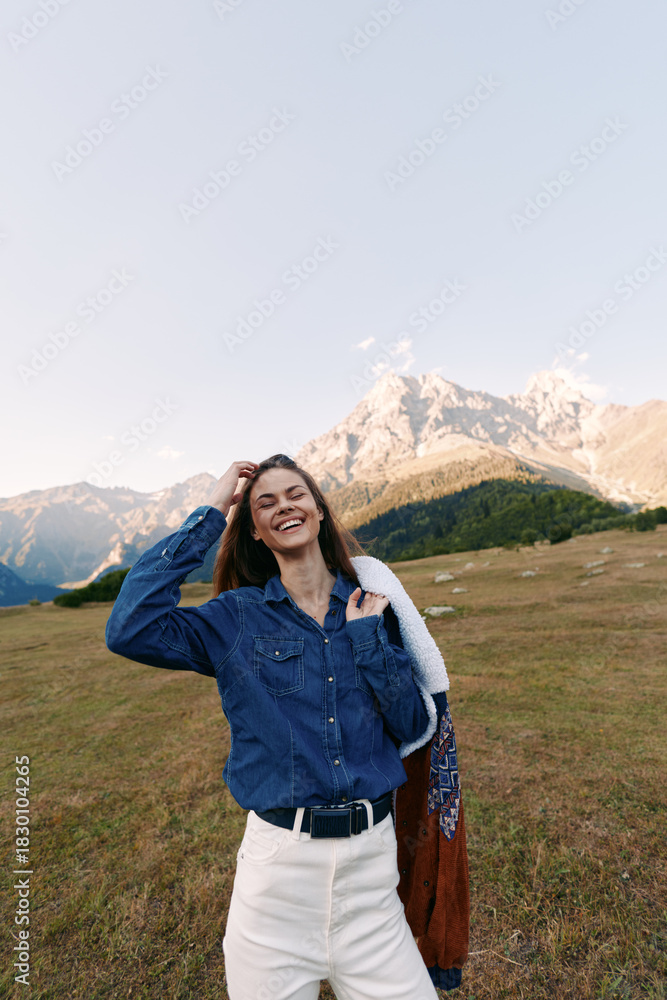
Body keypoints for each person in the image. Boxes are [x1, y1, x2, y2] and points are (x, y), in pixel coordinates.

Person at [105, 453, 441, 1000]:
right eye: (266, 503)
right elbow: (129, 627)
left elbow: (410, 725)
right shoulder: (234, 617)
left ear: (319, 511)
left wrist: (366, 639)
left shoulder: (372, 607)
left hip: (372, 880)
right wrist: (212, 512)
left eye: (295, 494)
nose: (284, 506)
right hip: (278, 881)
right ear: (255, 531)